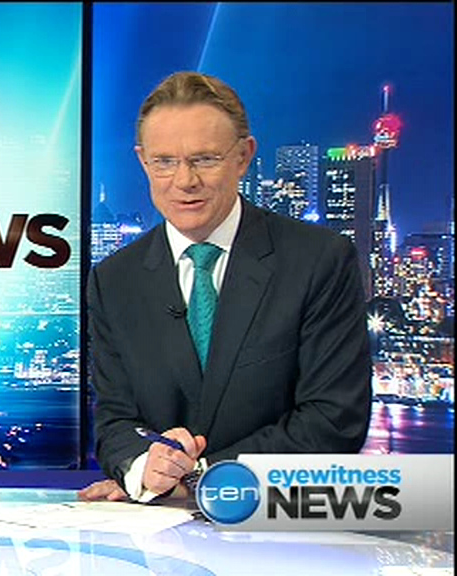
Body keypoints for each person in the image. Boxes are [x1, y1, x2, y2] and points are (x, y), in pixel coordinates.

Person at [79, 71, 371, 503]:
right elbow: (115, 422)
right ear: (143, 162)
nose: (185, 181)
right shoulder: (114, 280)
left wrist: (199, 479)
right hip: (160, 531)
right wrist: (143, 470)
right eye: (164, 162)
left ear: (243, 156)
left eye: (204, 159)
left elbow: (334, 420)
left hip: (282, 523)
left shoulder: (318, 260)